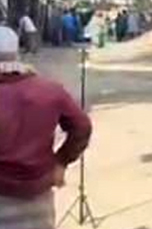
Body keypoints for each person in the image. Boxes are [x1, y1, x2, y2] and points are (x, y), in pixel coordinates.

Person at [0, 26, 92, 229]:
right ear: (17, 53)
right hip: (37, 195)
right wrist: (61, 162)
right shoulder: (49, 90)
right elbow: (82, 126)